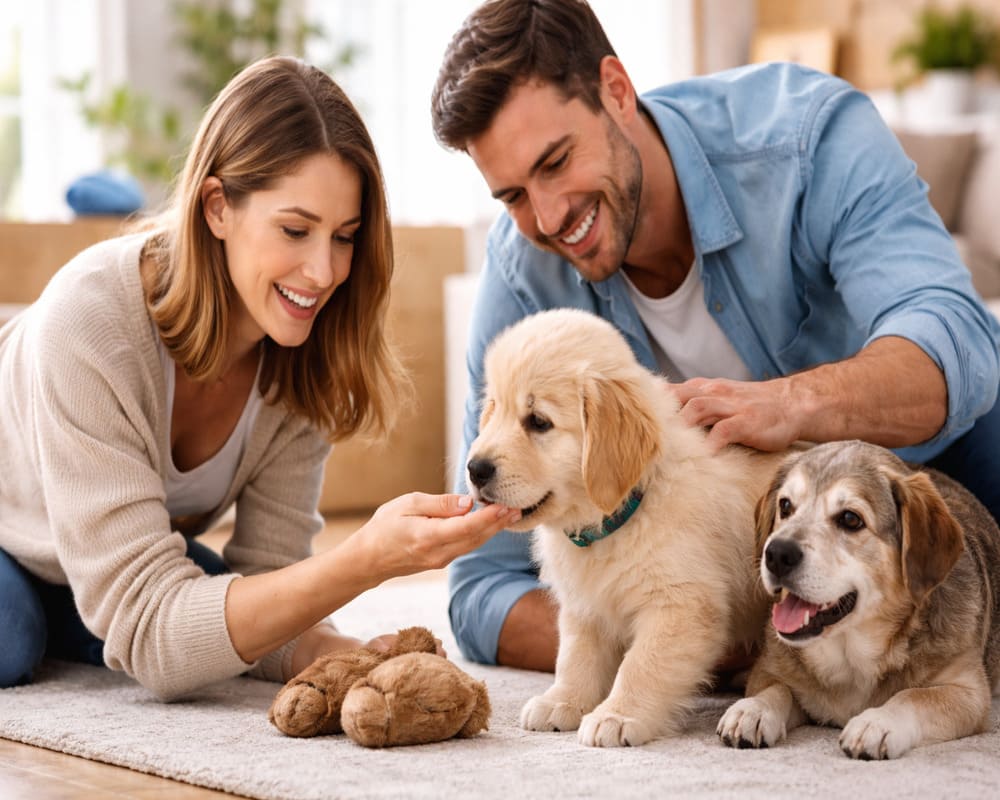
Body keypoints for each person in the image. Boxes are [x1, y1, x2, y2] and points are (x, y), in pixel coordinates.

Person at [430, 0, 1000, 672]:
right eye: (513, 197)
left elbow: (956, 344)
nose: (548, 217)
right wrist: (696, 641)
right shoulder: (520, 283)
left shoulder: (806, 135)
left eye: (555, 162)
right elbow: (483, 589)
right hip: (764, 593)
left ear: (616, 91)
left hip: (940, 472)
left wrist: (792, 404)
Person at [0, 56, 521, 698]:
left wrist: (332, 651)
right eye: (295, 230)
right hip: (12, 531)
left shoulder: (304, 351)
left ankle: (86, 614)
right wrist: (366, 559)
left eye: (344, 237)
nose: (324, 272)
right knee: (13, 635)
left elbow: (272, 573)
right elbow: (157, 630)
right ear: (217, 207)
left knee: (213, 609)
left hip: (94, 553)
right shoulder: (92, 318)